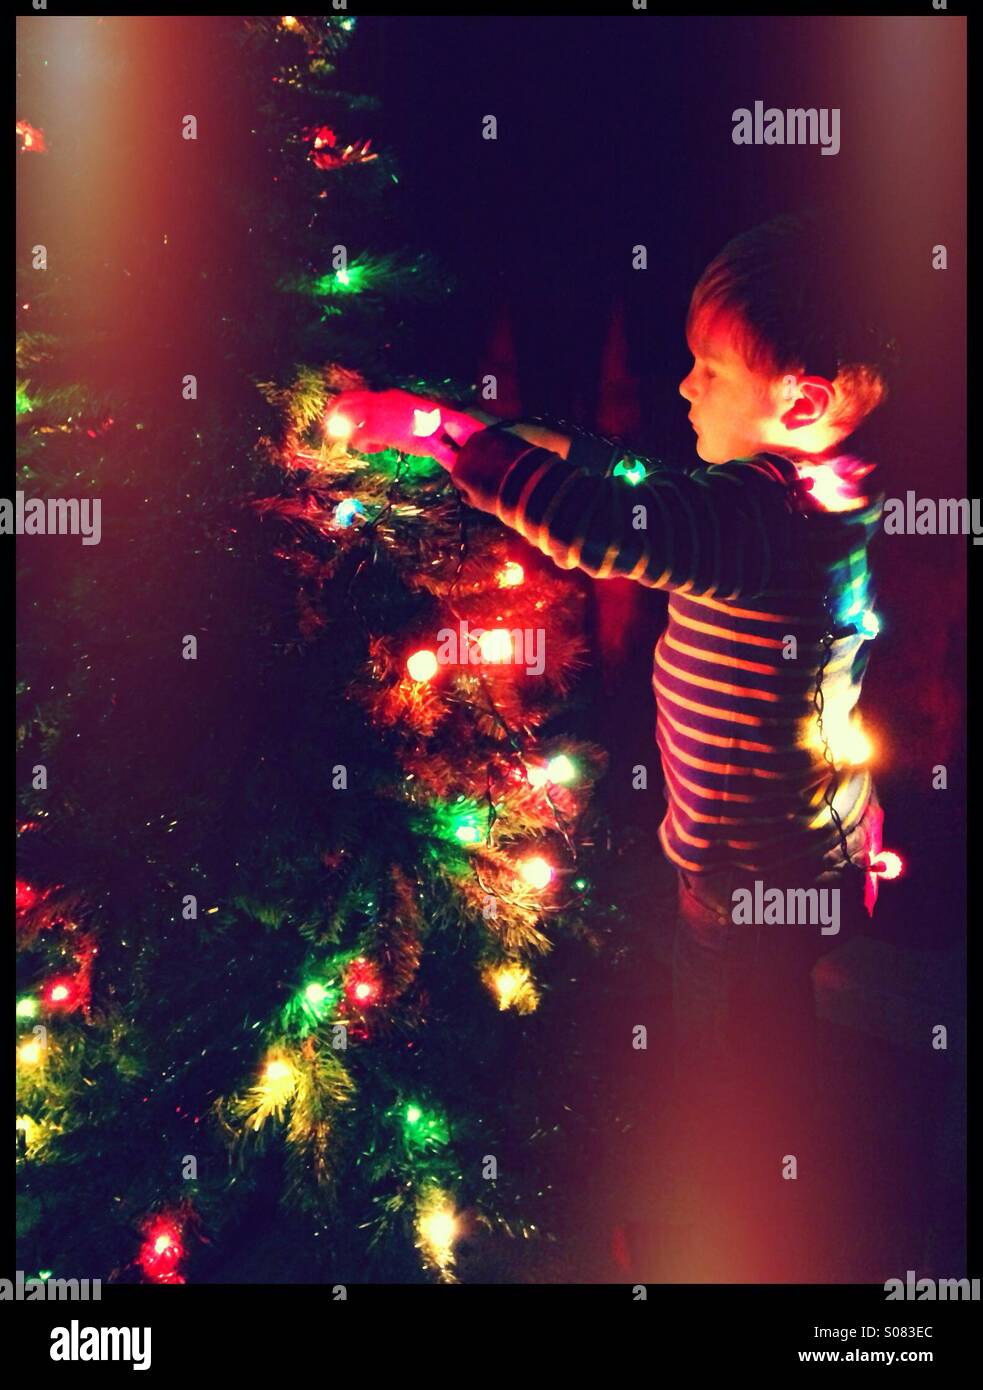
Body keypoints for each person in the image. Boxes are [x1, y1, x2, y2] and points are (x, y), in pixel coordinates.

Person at [329, 211, 897, 1279]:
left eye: (707, 369)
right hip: (806, 839)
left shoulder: (751, 519)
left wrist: (442, 439)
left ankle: (761, 1227)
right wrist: (478, 424)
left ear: (799, 403)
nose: (682, 386)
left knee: (742, 1050)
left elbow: (602, 525)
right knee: (759, 1031)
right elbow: (629, 478)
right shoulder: (810, 492)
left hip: (746, 868)